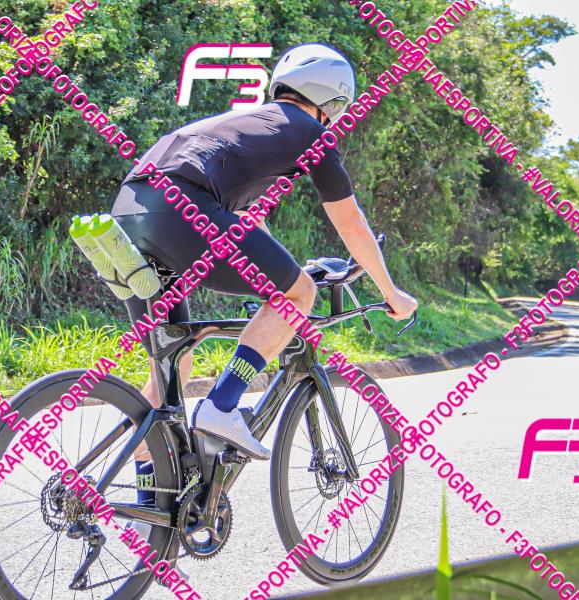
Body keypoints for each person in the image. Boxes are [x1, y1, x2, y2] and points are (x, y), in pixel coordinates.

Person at [110, 43, 418, 500]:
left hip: (127, 214)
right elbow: (351, 223)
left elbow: (247, 224)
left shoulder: (244, 125)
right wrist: (390, 291)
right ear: (333, 102)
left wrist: (280, 271)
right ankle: (221, 404)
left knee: (171, 366)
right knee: (299, 295)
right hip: (182, 209)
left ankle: (152, 514)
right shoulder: (309, 132)